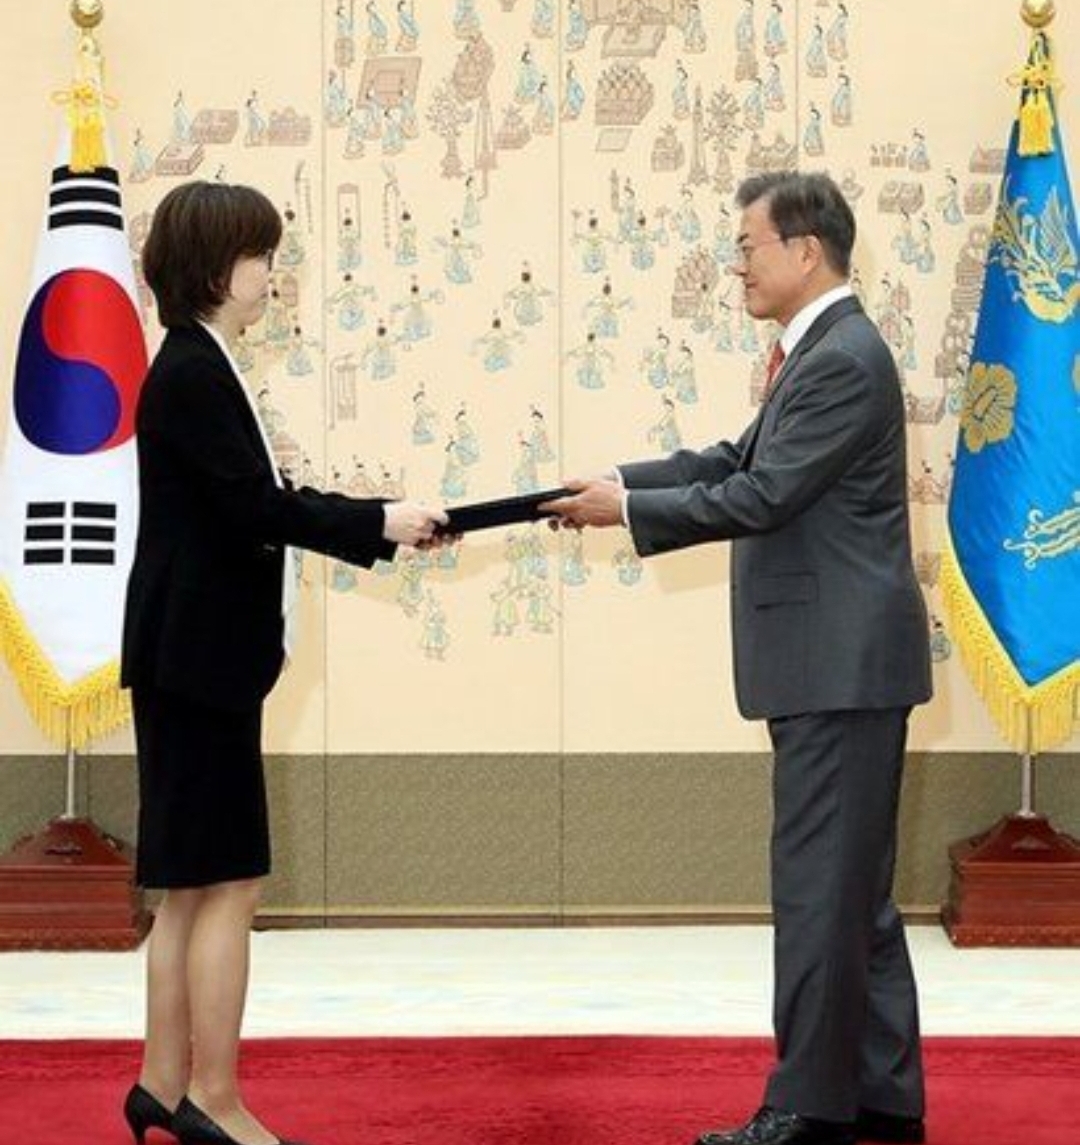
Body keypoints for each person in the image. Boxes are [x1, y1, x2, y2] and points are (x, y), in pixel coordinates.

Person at [543, 171, 930, 1145]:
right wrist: (620, 481)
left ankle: (807, 1107)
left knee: (819, 892)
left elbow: (762, 494)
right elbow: (735, 459)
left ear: (806, 250)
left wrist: (628, 512)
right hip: (840, 667)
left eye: (748, 246)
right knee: (853, 894)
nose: (737, 266)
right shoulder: (827, 350)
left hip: (838, 668)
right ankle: (882, 1095)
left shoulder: (842, 358)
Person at [120, 181, 448, 1145]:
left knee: (190, 884)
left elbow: (257, 500)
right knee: (228, 881)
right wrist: (379, 521)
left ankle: (160, 1085)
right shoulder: (191, 372)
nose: (273, 272)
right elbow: (256, 508)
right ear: (215, 266)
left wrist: (378, 523)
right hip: (199, 662)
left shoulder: (197, 364)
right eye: (262, 255)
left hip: (190, 657)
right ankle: (211, 1098)